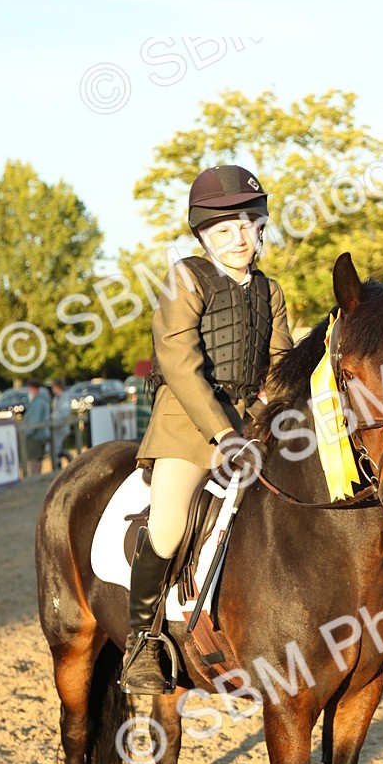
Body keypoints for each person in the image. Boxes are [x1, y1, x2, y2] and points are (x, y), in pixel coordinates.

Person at [119, 165, 294, 695]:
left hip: (252, 424)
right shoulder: (185, 279)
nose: (241, 238)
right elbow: (181, 363)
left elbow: (281, 363)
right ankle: (142, 643)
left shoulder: (272, 290)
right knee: (170, 524)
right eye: (225, 231)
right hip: (187, 426)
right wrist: (223, 435)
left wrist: (272, 412)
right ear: (203, 236)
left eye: (250, 225)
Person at [25, 379, 52, 475]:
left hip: (36, 436)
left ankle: (34, 477)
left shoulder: (38, 402)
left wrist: (26, 433)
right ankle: (37, 476)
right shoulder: (43, 400)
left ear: (33, 389)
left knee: (34, 460)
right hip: (42, 434)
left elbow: (34, 422)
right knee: (39, 459)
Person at [50, 379, 72, 467]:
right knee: (53, 448)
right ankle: (66, 457)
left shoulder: (65, 398)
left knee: (55, 449)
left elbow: (64, 413)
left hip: (61, 427)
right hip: (56, 427)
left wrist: (54, 420)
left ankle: (59, 465)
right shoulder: (56, 398)